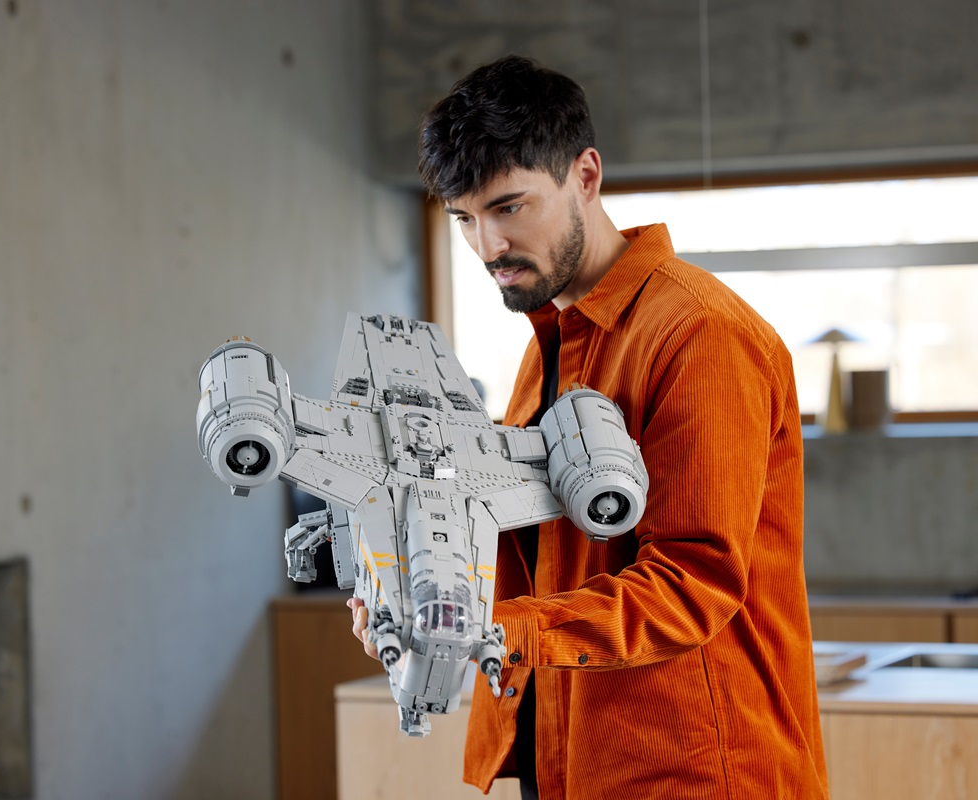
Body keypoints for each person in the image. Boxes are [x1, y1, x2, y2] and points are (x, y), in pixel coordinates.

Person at [349, 54, 829, 799]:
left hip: (694, 769)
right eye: (464, 219)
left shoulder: (699, 334)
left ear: (587, 176)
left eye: (510, 207)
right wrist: (407, 594)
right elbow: (520, 538)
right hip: (568, 754)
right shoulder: (551, 346)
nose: (488, 249)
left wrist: (498, 631)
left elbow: (692, 581)